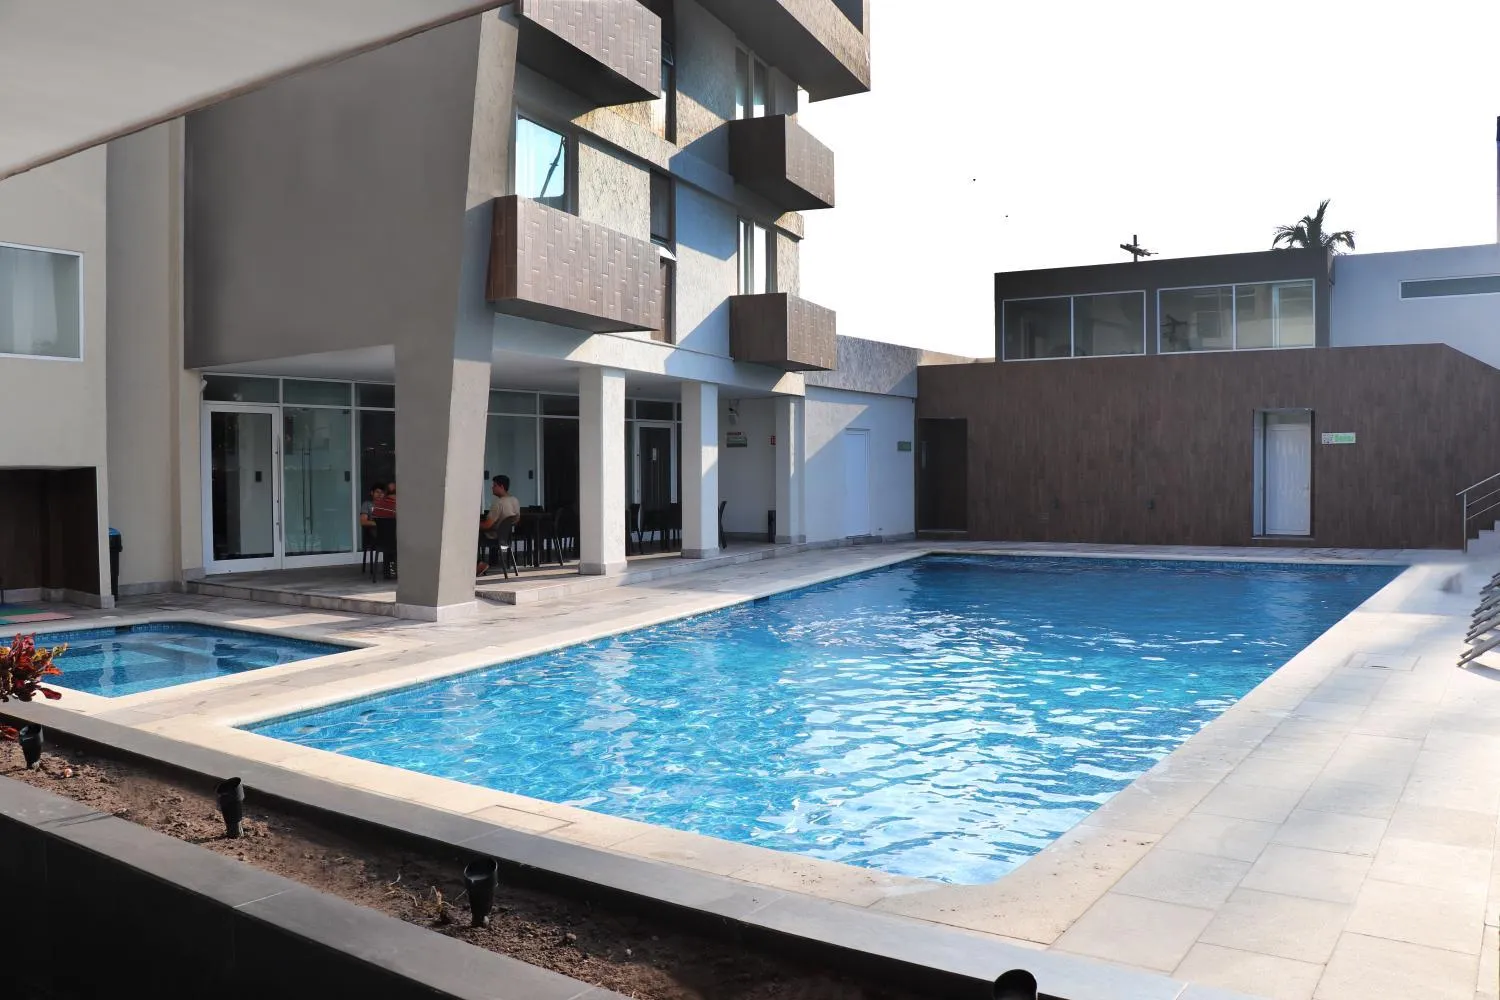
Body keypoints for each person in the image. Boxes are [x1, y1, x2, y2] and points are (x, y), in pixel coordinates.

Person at [477, 475, 521, 575]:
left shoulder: (499, 503)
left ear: (501, 487)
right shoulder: (515, 501)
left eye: (494, 485)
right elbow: (517, 520)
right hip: (506, 537)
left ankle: (478, 565)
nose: (492, 487)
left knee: (472, 537)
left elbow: (487, 525)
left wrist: (473, 526)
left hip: (494, 537)